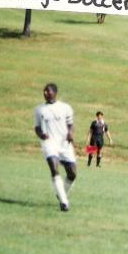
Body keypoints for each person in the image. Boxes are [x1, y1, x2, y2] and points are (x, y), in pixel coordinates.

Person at [34, 83, 77, 212]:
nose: (45, 93)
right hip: (49, 143)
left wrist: (70, 133)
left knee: (72, 174)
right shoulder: (39, 109)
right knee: (54, 168)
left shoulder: (65, 108)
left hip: (64, 143)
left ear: (54, 92)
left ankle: (61, 193)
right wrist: (41, 134)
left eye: (47, 91)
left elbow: (70, 124)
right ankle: (64, 202)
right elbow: (36, 127)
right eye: (44, 92)